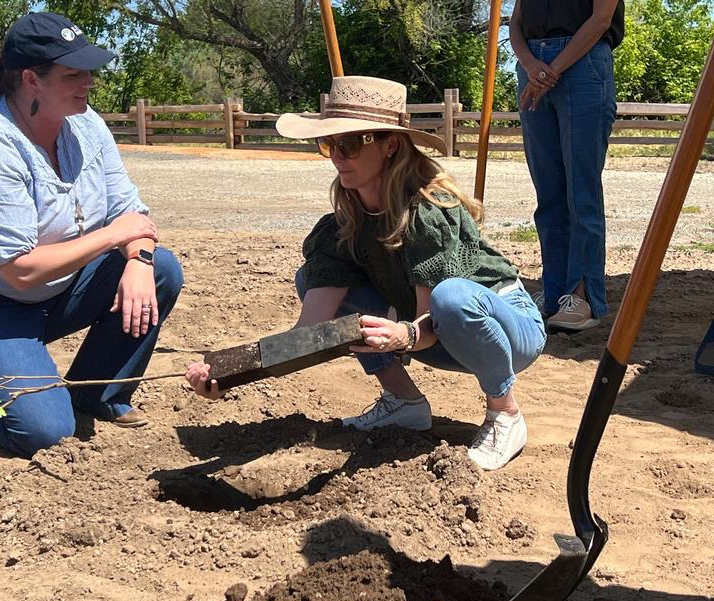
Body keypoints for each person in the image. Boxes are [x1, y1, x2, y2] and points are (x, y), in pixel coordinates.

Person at [185, 76, 546, 471]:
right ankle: (405, 403)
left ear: (390, 146)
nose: (339, 155)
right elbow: (307, 336)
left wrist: (404, 334)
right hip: (435, 333)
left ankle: (505, 414)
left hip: (506, 331)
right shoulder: (342, 226)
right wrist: (228, 373)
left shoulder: (430, 210)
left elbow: (430, 320)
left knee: (452, 298)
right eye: (330, 145)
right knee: (312, 281)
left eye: (351, 144)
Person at [0, 12, 183, 457]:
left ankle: (98, 393)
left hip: (56, 289)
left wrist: (138, 261)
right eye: (73, 73)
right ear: (31, 80)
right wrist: (111, 237)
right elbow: (19, 270)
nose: (89, 82)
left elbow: (130, 213)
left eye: (89, 71)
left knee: (161, 268)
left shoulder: (86, 124)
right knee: (45, 432)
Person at [508, 0, 624, 331]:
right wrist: (530, 64)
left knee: (580, 193)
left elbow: (601, 19)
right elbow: (516, 23)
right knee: (549, 195)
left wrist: (552, 69)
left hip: (582, 62)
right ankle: (555, 291)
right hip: (532, 66)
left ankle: (583, 295)